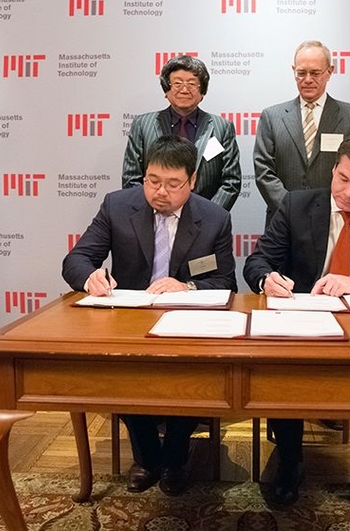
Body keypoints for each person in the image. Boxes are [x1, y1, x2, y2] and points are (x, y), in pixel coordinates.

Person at [243, 133, 350, 529]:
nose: (348, 193)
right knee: (282, 373)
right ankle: (290, 464)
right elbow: (257, 261)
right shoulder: (296, 204)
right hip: (300, 324)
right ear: (334, 168)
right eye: (342, 179)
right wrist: (267, 279)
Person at [63, 135, 237, 495]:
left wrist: (186, 287)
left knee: (193, 378)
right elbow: (75, 260)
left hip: (187, 324)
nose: (161, 192)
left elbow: (225, 281)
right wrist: (90, 276)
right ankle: (147, 458)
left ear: (192, 182)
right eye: (153, 181)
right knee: (123, 375)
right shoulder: (117, 206)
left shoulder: (214, 218)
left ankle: (175, 457)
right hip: (130, 321)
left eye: (173, 184)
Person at [253, 40, 350, 224]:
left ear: (329, 72)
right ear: (293, 71)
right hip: (282, 221)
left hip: (333, 221)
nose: (307, 79)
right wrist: (291, 209)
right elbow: (263, 171)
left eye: (315, 73)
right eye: (301, 73)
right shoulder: (271, 117)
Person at [122, 55, 241, 211]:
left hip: (204, 221)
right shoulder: (143, 124)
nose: (184, 89)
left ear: (202, 92)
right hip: (153, 217)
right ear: (166, 89)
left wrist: (209, 216)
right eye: (177, 83)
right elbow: (131, 178)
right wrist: (153, 212)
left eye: (192, 84)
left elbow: (231, 182)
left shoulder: (222, 127)